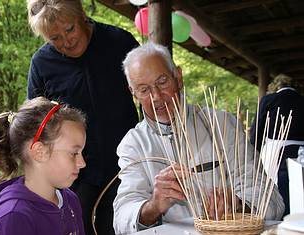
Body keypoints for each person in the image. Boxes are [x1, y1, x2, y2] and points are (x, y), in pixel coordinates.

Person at [113, 42, 285, 234]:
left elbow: (273, 201)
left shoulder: (220, 124)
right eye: (144, 90)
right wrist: (154, 205)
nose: (156, 97)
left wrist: (237, 204)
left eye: (162, 82)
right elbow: (121, 219)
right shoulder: (133, 144)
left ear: (178, 77)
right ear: (133, 93)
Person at [26, 1, 139, 234]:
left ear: (81, 15)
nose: (66, 42)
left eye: (69, 29)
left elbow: (149, 95)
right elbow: (34, 126)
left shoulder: (120, 42)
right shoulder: (42, 64)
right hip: (76, 177)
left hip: (129, 168)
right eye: (55, 39)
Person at [0, 97, 86, 235]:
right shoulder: (13, 217)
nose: (82, 163)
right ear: (40, 152)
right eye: (74, 153)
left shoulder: (70, 200)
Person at [250, 74, 304, 216]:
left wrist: (252, 152)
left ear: (275, 87)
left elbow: (258, 130)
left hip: (276, 151)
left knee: (274, 189)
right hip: (302, 151)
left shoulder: (269, 100)